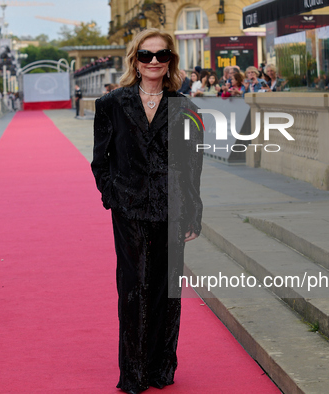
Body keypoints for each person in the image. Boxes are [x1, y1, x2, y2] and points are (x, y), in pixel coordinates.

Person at [91, 28, 203, 394]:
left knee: (166, 290)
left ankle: (160, 369)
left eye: (162, 54)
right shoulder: (111, 104)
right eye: (146, 55)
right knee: (134, 287)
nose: (154, 61)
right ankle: (134, 373)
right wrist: (114, 197)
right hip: (130, 209)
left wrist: (193, 211)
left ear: (171, 60)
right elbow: (100, 161)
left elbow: (192, 166)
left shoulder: (188, 108)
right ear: (135, 61)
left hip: (173, 207)